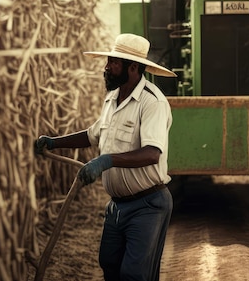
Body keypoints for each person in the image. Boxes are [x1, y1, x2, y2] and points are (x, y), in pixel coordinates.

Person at [34, 33, 177, 281]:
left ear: (133, 68)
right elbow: (93, 134)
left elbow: (152, 153)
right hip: (117, 207)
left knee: (134, 274)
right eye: (109, 61)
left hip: (147, 205)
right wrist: (54, 142)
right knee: (109, 264)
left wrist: (106, 160)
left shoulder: (152, 102)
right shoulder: (113, 97)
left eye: (113, 63)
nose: (107, 67)